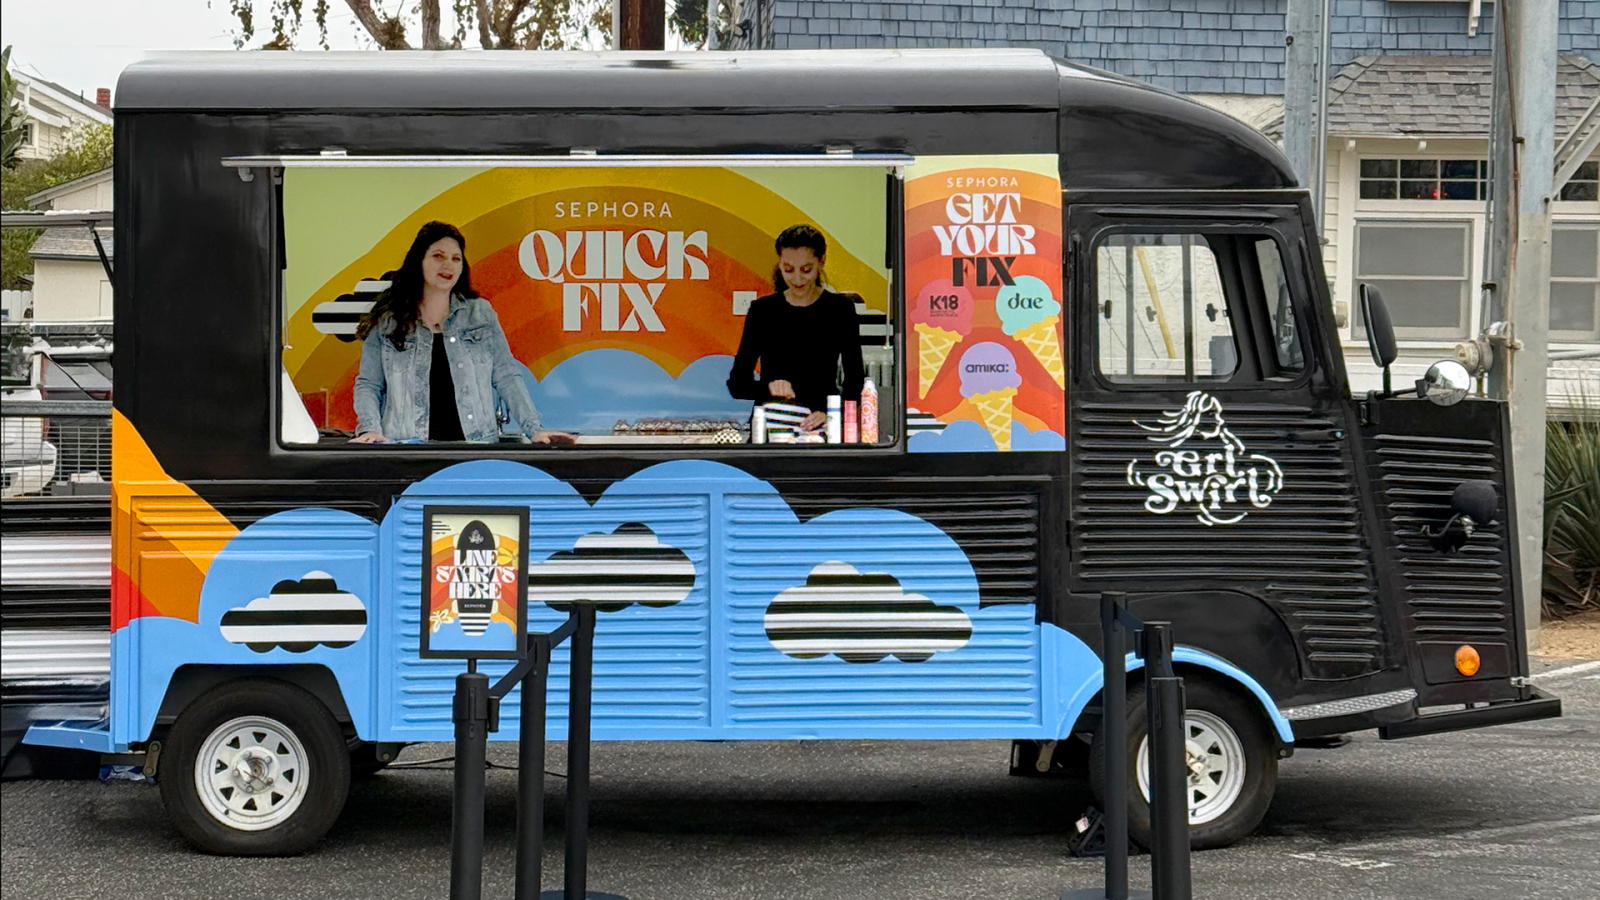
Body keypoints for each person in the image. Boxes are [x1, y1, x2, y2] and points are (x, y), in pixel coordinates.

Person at [350, 221, 569, 445]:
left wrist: (534, 430)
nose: (448, 265)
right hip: (408, 451)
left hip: (474, 448)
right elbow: (369, 384)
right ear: (419, 261)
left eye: (456, 259)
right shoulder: (388, 320)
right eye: (438, 256)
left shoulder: (480, 313)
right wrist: (370, 430)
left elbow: (507, 376)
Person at [726, 224, 864, 431]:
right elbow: (737, 384)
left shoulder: (840, 309)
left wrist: (832, 414)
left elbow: (855, 381)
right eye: (788, 270)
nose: (797, 279)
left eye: (806, 270)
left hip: (820, 425)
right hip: (771, 428)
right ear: (779, 264)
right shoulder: (763, 311)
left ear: (821, 262)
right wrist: (769, 387)